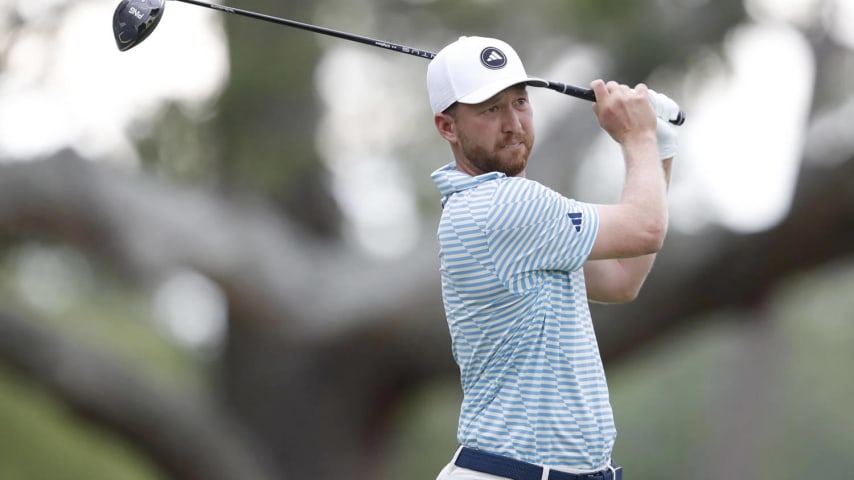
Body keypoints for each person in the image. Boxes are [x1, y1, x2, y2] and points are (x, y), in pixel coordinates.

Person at [427, 36, 678, 480]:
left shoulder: (514, 215)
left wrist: (659, 147)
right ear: (448, 127)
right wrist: (637, 135)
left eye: (520, 102)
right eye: (489, 109)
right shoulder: (501, 207)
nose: (512, 123)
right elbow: (646, 228)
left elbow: (622, 279)